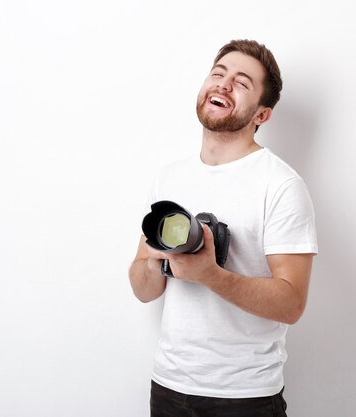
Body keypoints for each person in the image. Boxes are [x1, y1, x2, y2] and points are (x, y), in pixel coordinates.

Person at [128, 39, 318, 417]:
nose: (224, 84)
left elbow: (292, 304)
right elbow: (144, 291)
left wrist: (211, 275)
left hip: (244, 396)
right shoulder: (169, 177)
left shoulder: (280, 184)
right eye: (218, 73)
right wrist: (153, 262)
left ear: (261, 115)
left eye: (242, 82)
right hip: (168, 385)